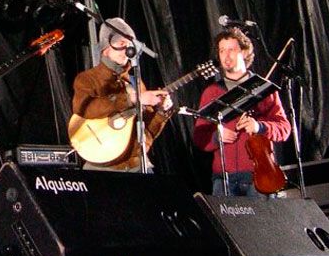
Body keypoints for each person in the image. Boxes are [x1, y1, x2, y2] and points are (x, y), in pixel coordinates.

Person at [192, 27, 291, 196]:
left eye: (231, 49)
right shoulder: (212, 92)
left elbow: (284, 128)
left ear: (244, 52)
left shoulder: (263, 89)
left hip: (259, 175)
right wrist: (217, 136)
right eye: (222, 50)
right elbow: (199, 137)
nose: (226, 56)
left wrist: (259, 126)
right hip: (223, 179)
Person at [70, 18, 173, 171]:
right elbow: (85, 109)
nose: (126, 49)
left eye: (129, 44)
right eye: (120, 44)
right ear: (106, 49)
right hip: (104, 167)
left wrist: (161, 112)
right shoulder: (87, 79)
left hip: (138, 165)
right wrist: (131, 98)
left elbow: (147, 130)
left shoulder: (135, 80)